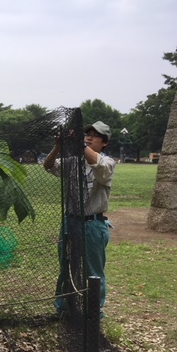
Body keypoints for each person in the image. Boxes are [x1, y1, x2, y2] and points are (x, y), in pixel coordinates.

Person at [43, 121, 115, 316]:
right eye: (87, 134)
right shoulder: (73, 161)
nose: (89, 137)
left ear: (104, 142)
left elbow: (98, 165)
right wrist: (58, 146)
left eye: (95, 135)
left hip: (93, 224)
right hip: (70, 221)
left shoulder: (107, 163)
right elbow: (48, 166)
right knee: (66, 265)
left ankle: (93, 312)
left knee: (93, 271)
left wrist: (80, 145)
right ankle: (64, 307)